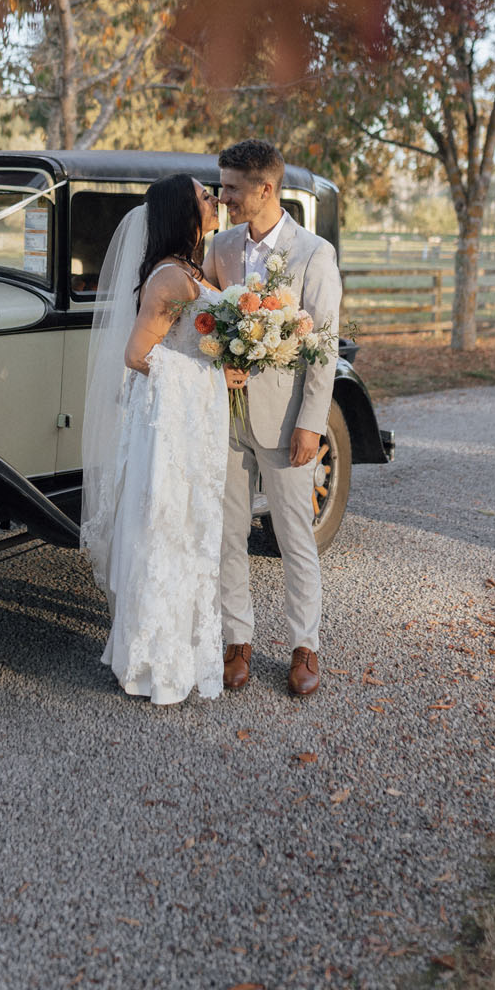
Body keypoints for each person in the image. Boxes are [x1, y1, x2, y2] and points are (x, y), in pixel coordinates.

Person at [81, 173, 245, 705]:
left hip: (186, 423)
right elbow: (137, 355)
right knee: (167, 529)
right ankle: (152, 660)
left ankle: (174, 649)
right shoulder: (170, 279)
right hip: (169, 426)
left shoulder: (192, 271)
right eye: (205, 195)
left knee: (187, 527)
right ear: (183, 211)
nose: (215, 200)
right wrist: (212, 376)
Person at [203, 139, 342, 697]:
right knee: (225, 535)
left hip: (287, 424)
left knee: (293, 538)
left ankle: (305, 646)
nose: (224, 197)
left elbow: (323, 347)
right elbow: (204, 322)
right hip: (227, 418)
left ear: (266, 189)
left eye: (233, 188)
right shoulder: (221, 247)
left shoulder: (314, 253)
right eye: (222, 186)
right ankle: (238, 640)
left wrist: (312, 423)